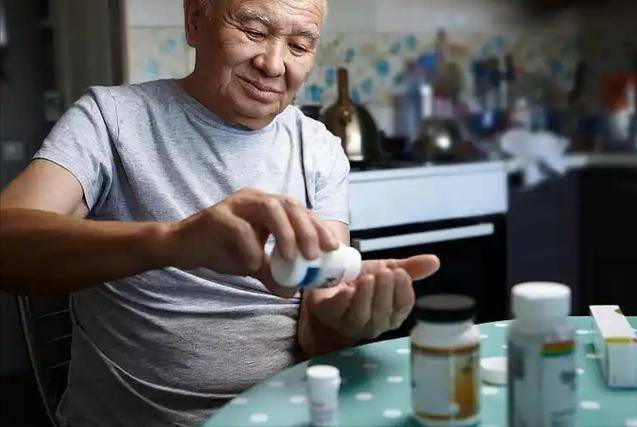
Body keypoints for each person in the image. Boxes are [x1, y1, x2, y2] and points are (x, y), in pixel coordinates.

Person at [0, 0, 440, 425]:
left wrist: (337, 321)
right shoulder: (111, 119)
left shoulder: (319, 149)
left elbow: (316, 340)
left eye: (299, 45)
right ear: (195, 19)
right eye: (253, 31)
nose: (274, 64)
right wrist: (173, 242)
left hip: (279, 416)